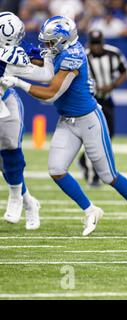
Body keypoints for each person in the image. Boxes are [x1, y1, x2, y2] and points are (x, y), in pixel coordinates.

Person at [0, 16, 127, 236]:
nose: (47, 46)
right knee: (57, 171)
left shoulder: (73, 56)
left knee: (108, 175)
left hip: (89, 120)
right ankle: (91, 210)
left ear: (62, 40)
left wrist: (20, 82)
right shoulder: (61, 49)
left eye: (51, 42)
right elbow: (42, 64)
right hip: (67, 120)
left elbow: (50, 94)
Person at [0, 12, 55, 230]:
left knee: (10, 155)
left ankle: (17, 198)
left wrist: (47, 55)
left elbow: (46, 76)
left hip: (6, 106)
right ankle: (29, 202)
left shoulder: (10, 58)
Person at [78, 29, 127, 187]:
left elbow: (124, 72)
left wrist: (112, 85)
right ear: (89, 44)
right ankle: (92, 175)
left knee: (109, 135)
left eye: (98, 44)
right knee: (94, 136)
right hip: (91, 100)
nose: (96, 47)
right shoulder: (83, 56)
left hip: (106, 99)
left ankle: (83, 161)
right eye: (93, 44)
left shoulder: (114, 53)